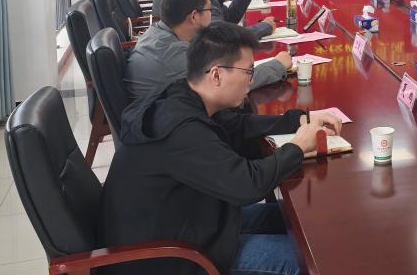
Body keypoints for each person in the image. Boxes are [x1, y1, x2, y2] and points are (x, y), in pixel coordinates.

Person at [101, 22, 343, 275]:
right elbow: (248, 184)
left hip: (189, 223)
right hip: (168, 258)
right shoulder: (181, 130)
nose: (251, 80)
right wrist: (298, 146)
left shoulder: (182, 94)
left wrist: (299, 120)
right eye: (248, 71)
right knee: (312, 261)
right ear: (216, 74)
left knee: (301, 222)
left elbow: (236, 126)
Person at [126, 0, 291, 99]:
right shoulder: (172, 54)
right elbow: (227, 86)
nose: (212, 15)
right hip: (168, 129)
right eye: (209, 10)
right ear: (193, 16)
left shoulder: (157, 32)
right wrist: (277, 65)